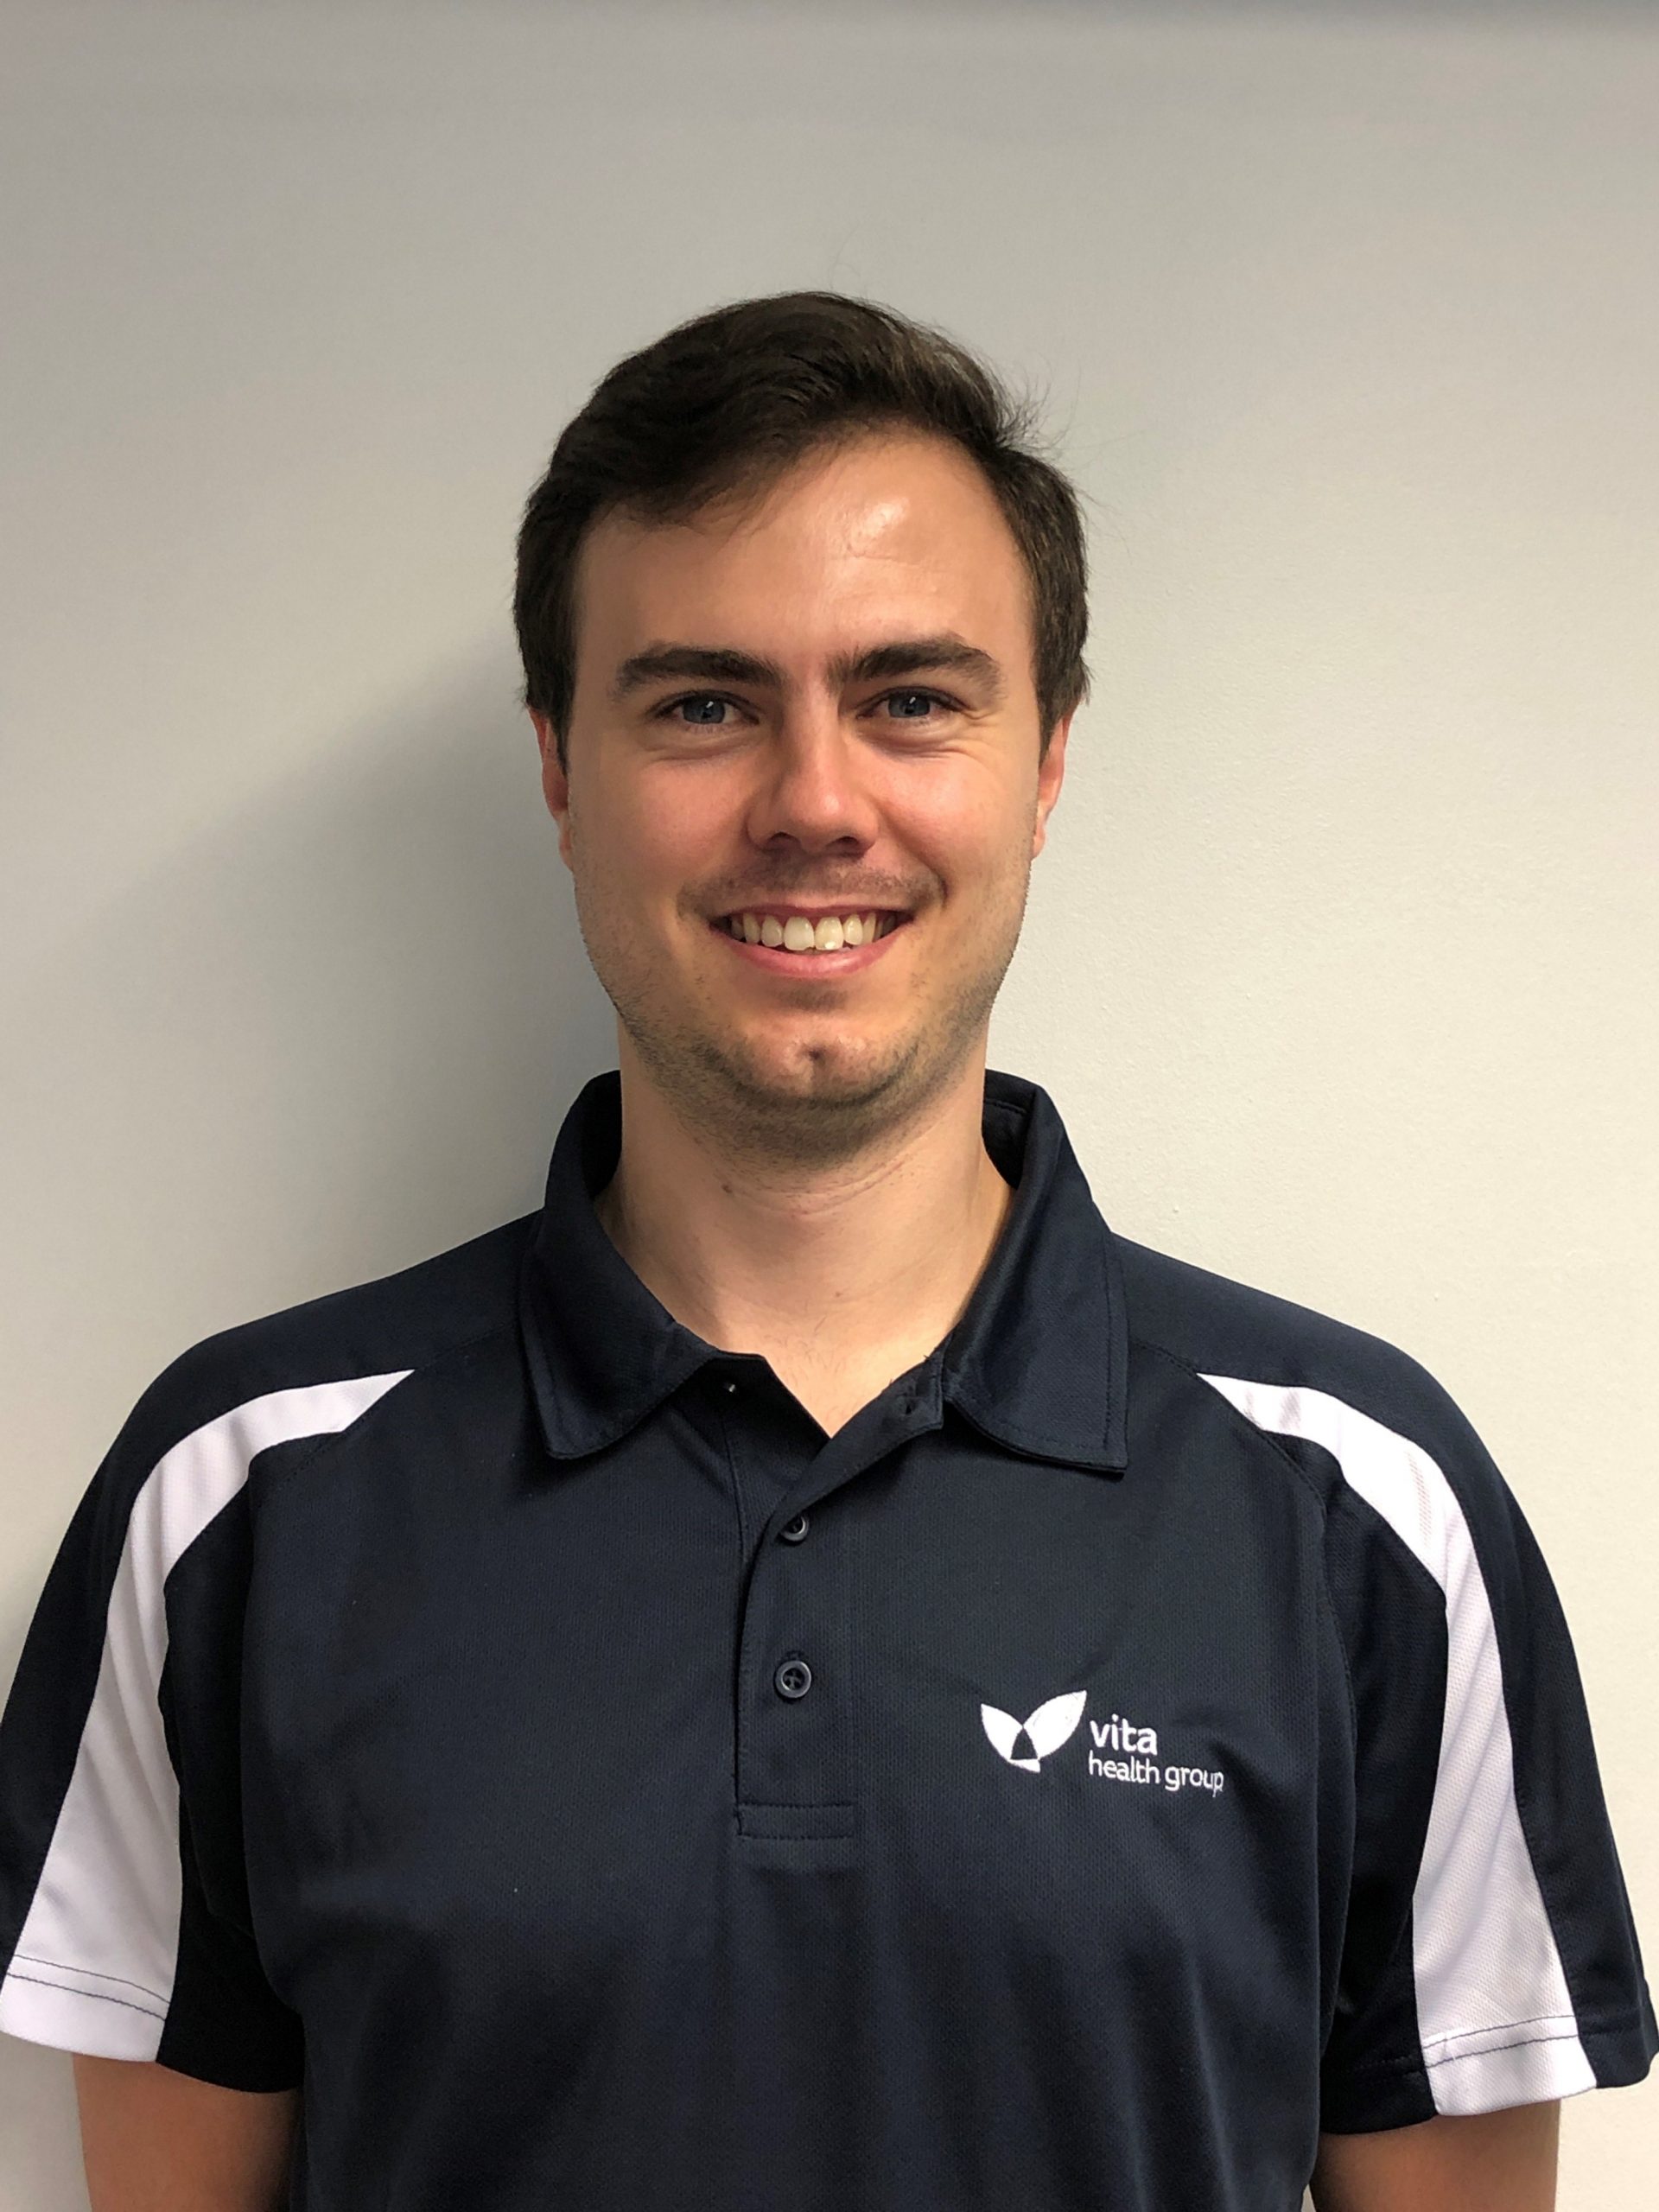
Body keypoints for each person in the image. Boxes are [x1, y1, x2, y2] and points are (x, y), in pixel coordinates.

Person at [0, 291, 1650, 2212]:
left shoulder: (1365, 1508)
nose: (812, 803)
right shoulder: (237, 1495)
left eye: (912, 699)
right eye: (703, 703)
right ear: (560, 767)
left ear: (1047, 762)